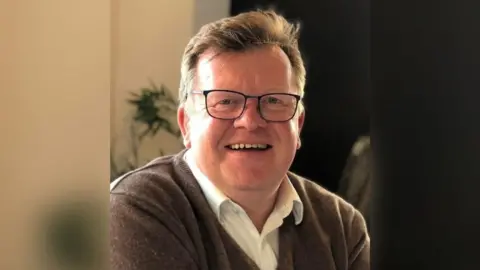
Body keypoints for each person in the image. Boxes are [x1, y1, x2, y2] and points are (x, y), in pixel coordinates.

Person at [110, 9, 370, 270]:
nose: (250, 121)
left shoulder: (342, 228)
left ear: (298, 124)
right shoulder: (135, 211)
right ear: (186, 124)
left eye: (273, 101)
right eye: (225, 101)